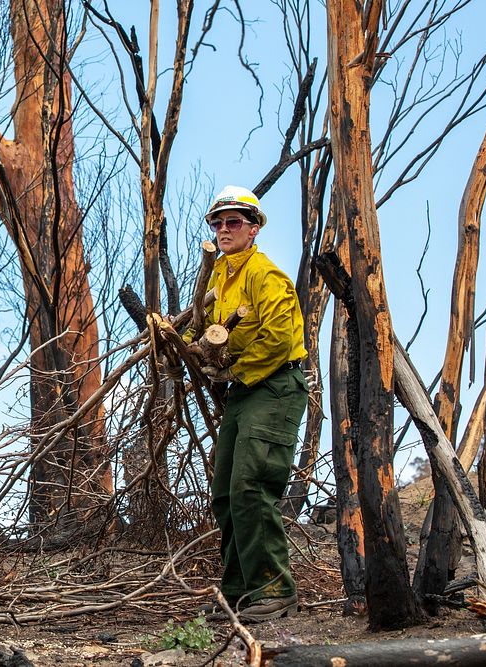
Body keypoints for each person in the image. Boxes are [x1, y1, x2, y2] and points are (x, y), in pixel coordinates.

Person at [186, 185, 309, 622]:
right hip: (241, 394)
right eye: (217, 222)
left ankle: (274, 589)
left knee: (252, 488)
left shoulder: (265, 275)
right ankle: (240, 591)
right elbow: (200, 329)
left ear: (253, 228)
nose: (223, 229)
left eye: (233, 221)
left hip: (274, 387)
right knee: (225, 493)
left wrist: (232, 371)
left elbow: (276, 340)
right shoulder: (218, 275)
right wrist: (183, 347)